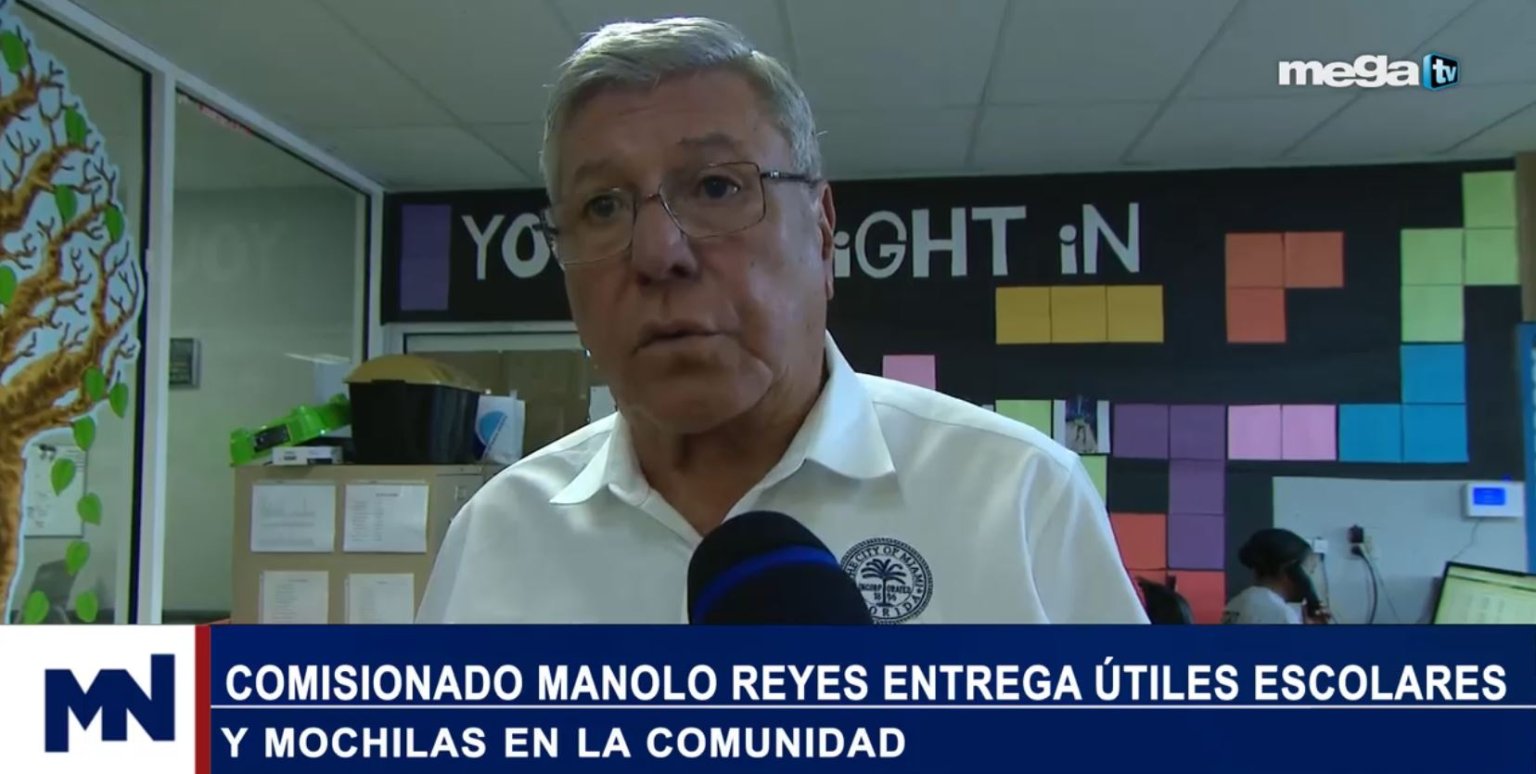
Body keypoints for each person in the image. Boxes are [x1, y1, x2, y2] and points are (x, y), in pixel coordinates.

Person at [416, 17, 1148, 625]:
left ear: (822, 232)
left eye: (715, 187)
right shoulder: (495, 536)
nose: (657, 252)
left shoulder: (1019, 498)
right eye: (602, 206)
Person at [1222, 528, 1331, 624]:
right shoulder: (1280, 613)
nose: (1312, 579)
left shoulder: (1236, 604)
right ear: (1293, 570)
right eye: (1310, 571)